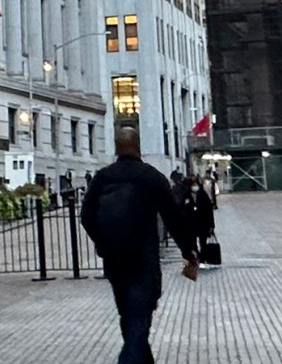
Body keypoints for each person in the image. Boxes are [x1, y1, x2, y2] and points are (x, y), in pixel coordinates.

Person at [82, 123, 198, 364]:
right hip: (143, 259)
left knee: (128, 316)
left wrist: (102, 243)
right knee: (138, 321)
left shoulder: (103, 177)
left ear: (116, 148)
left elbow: (86, 216)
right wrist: (189, 250)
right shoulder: (151, 177)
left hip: (114, 260)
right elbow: (173, 217)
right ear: (138, 147)